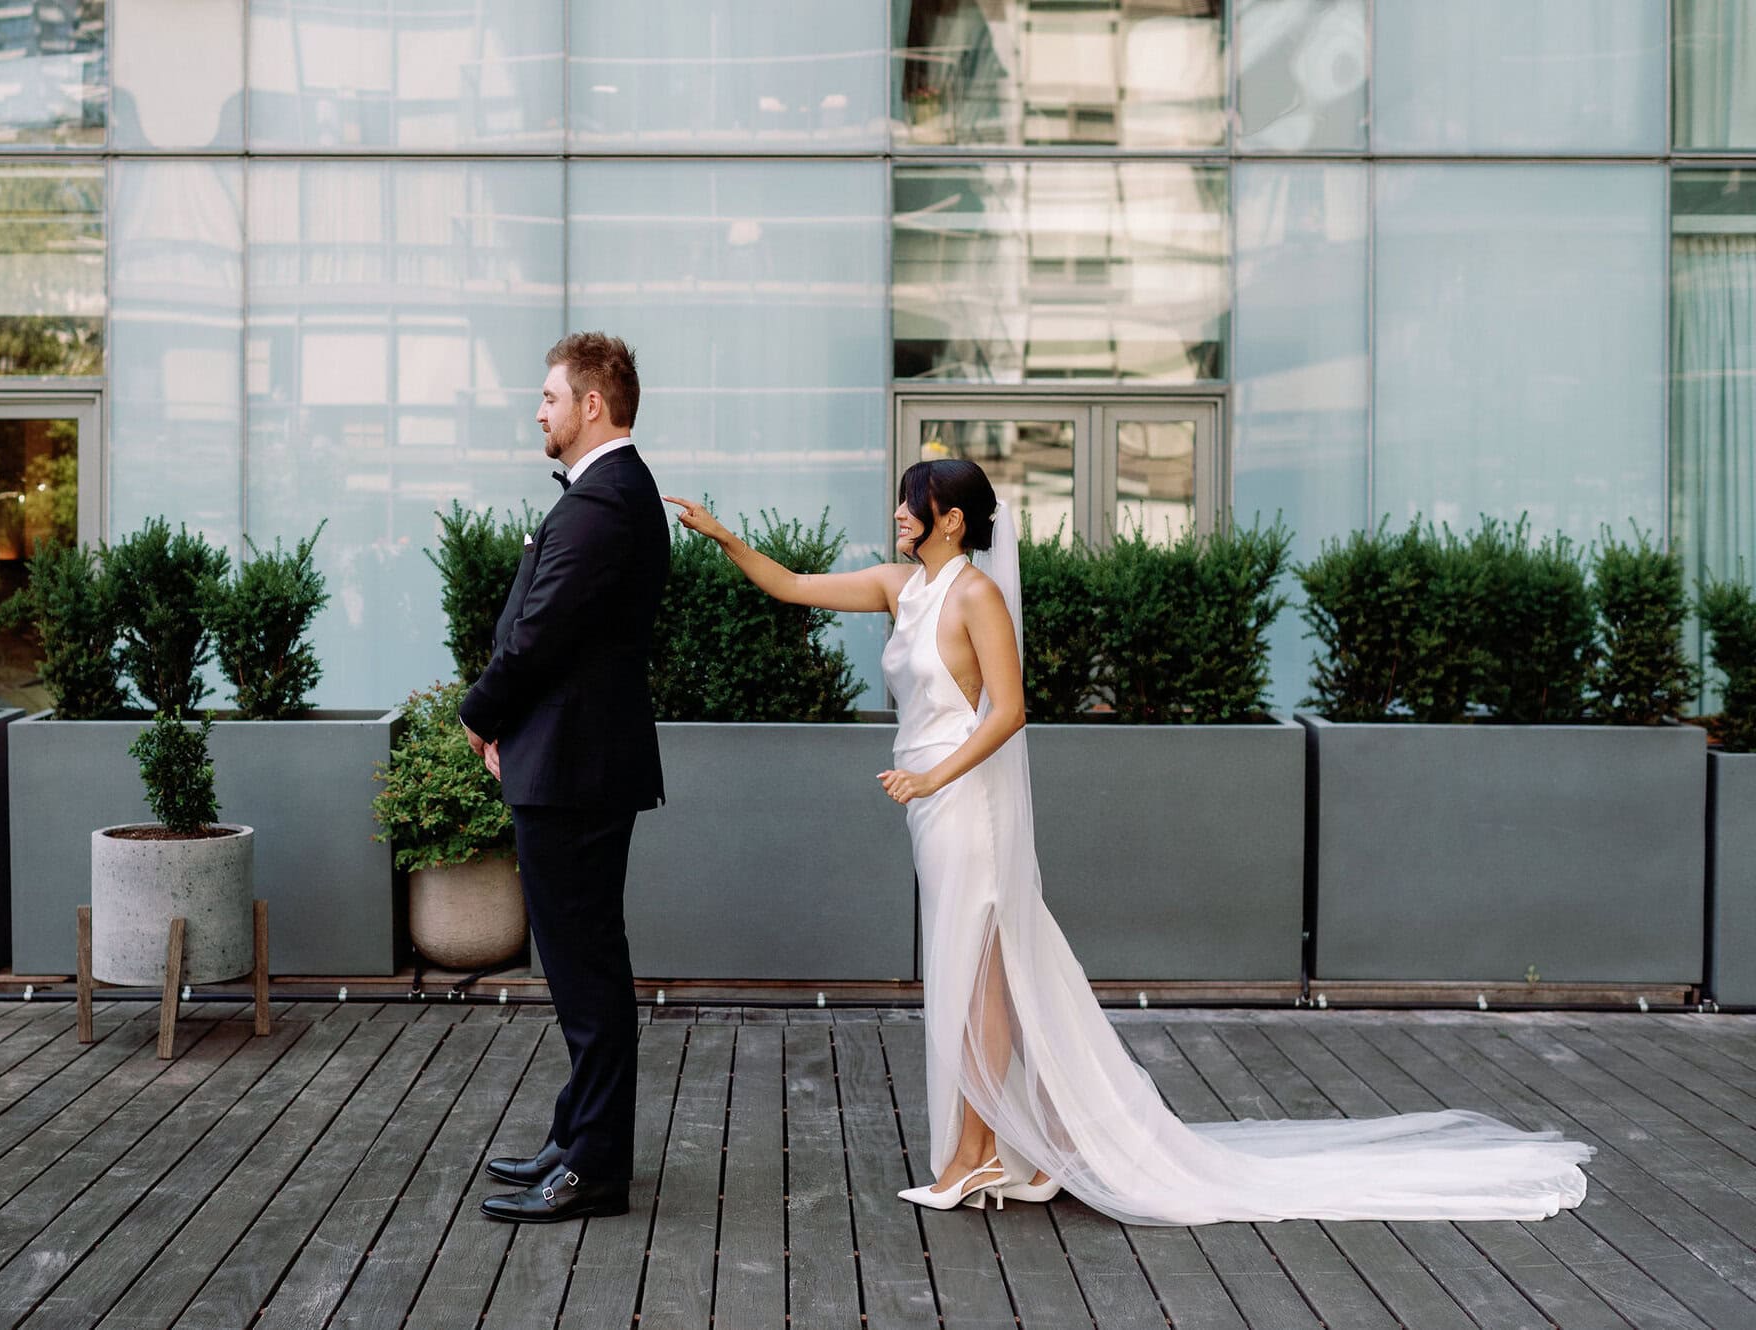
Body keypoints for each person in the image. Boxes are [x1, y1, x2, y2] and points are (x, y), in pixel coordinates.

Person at [663, 460, 1592, 1224]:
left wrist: (936, 777)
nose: (899, 514)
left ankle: (977, 1155)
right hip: (927, 801)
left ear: (948, 520)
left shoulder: (977, 597)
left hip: (963, 800)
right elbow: (790, 587)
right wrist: (721, 534)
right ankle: (1006, 1150)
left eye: (912, 503)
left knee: (977, 969)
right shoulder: (898, 587)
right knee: (971, 969)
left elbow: (1011, 711)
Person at [462, 333, 669, 1224]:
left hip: (576, 771)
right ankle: (577, 1137)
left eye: (549, 396)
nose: (538, 410)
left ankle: (594, 1167)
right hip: (574, 762)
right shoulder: (608, 495)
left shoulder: (603, 502)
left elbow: (539, 634)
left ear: (593, 404)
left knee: (586, 972)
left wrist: (480, 712)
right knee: (583, 965)